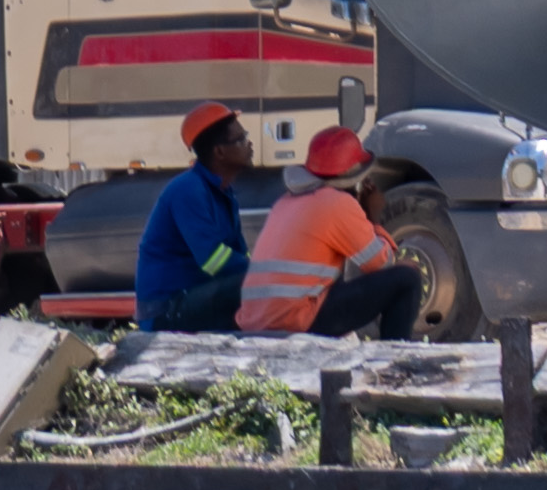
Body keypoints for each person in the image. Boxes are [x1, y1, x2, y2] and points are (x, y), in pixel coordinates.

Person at [242, 124, 423, 343]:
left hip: (257, 321)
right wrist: (373, 217)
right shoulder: (338, 203)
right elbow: (381, 263)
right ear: (354, 174)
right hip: (295, 321)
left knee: (332, 281)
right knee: (407, 277)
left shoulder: (285, 202)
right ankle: (395, 360)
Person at [133, 107, 256, 333]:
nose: (250, 144)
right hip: (165, 310)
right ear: (219, 152)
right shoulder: (188, 190)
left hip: (191, 298)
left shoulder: (223, 193)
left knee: (262, 285)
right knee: (258, 284)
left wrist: (263, 270)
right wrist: (264, 274)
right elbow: (213, 260)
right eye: (241, 139)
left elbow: (240, 254)